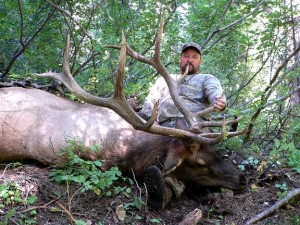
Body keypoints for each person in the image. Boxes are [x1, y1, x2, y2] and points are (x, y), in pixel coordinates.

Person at [141, 42, 227, 211]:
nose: (190, 60)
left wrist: (220, 101)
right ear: (180, 59)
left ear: (200, 61)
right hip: (163, 129)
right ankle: (164, 185)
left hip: (194, 129)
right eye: (186, 56)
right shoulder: (165, 79)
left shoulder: (206, 79)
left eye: (194, 57)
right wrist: (150, 122)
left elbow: (215, 93)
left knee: (190, 158)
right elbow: (149, 104)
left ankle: (168, 190)